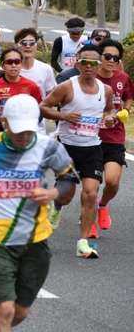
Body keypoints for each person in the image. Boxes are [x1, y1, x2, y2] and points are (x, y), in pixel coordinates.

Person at [0, 94, 77, 332]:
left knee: (19, 312)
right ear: (4, 122)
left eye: (28, 130)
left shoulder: (49, 147)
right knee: (6, 309)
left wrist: (52, 193)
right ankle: (1, 319)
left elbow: (68, 177)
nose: (24, 136)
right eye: (18, 130)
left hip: (35, 239)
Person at [40, 43, 115, 258]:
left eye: (93, 63)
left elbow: (109, 109)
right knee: (66, 196)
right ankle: (57, 209)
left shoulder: (105, 90)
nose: (89, 66)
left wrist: (110, 118)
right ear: (77, 64)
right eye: (84, 62)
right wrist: (65, 116)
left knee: (91, 194)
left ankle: (83, 242)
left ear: (99, 65)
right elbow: (43, 107)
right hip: (66, 147)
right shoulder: (67, 87)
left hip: (92, 148)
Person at [93, 39, 133, 235]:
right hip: (90, 139)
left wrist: (125, 110)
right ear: (99, 57)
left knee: (112, 181)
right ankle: (89, 222)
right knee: (91, 186)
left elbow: (128, 96)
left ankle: (103, 205)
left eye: (115, 58)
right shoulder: (90, 78)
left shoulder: (122, 78)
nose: (111, 60)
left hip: (114, 138)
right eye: (107, 56)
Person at [14, 28, 56, 133]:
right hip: (13, 129)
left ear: (36, 46)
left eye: (31, 43)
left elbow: (53, 98)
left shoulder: (45, 69)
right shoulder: (8, 69)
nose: (28, 46)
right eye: (24, 43)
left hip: (38, 129)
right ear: (16, 46)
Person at [0, 48, 42, 130]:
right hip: (0, 132)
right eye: (9, 62)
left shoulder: (32, 85)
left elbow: (40, 111)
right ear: (2, 66)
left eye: (17, 62)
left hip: (24, 131)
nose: (13, 65)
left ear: (21, 64)